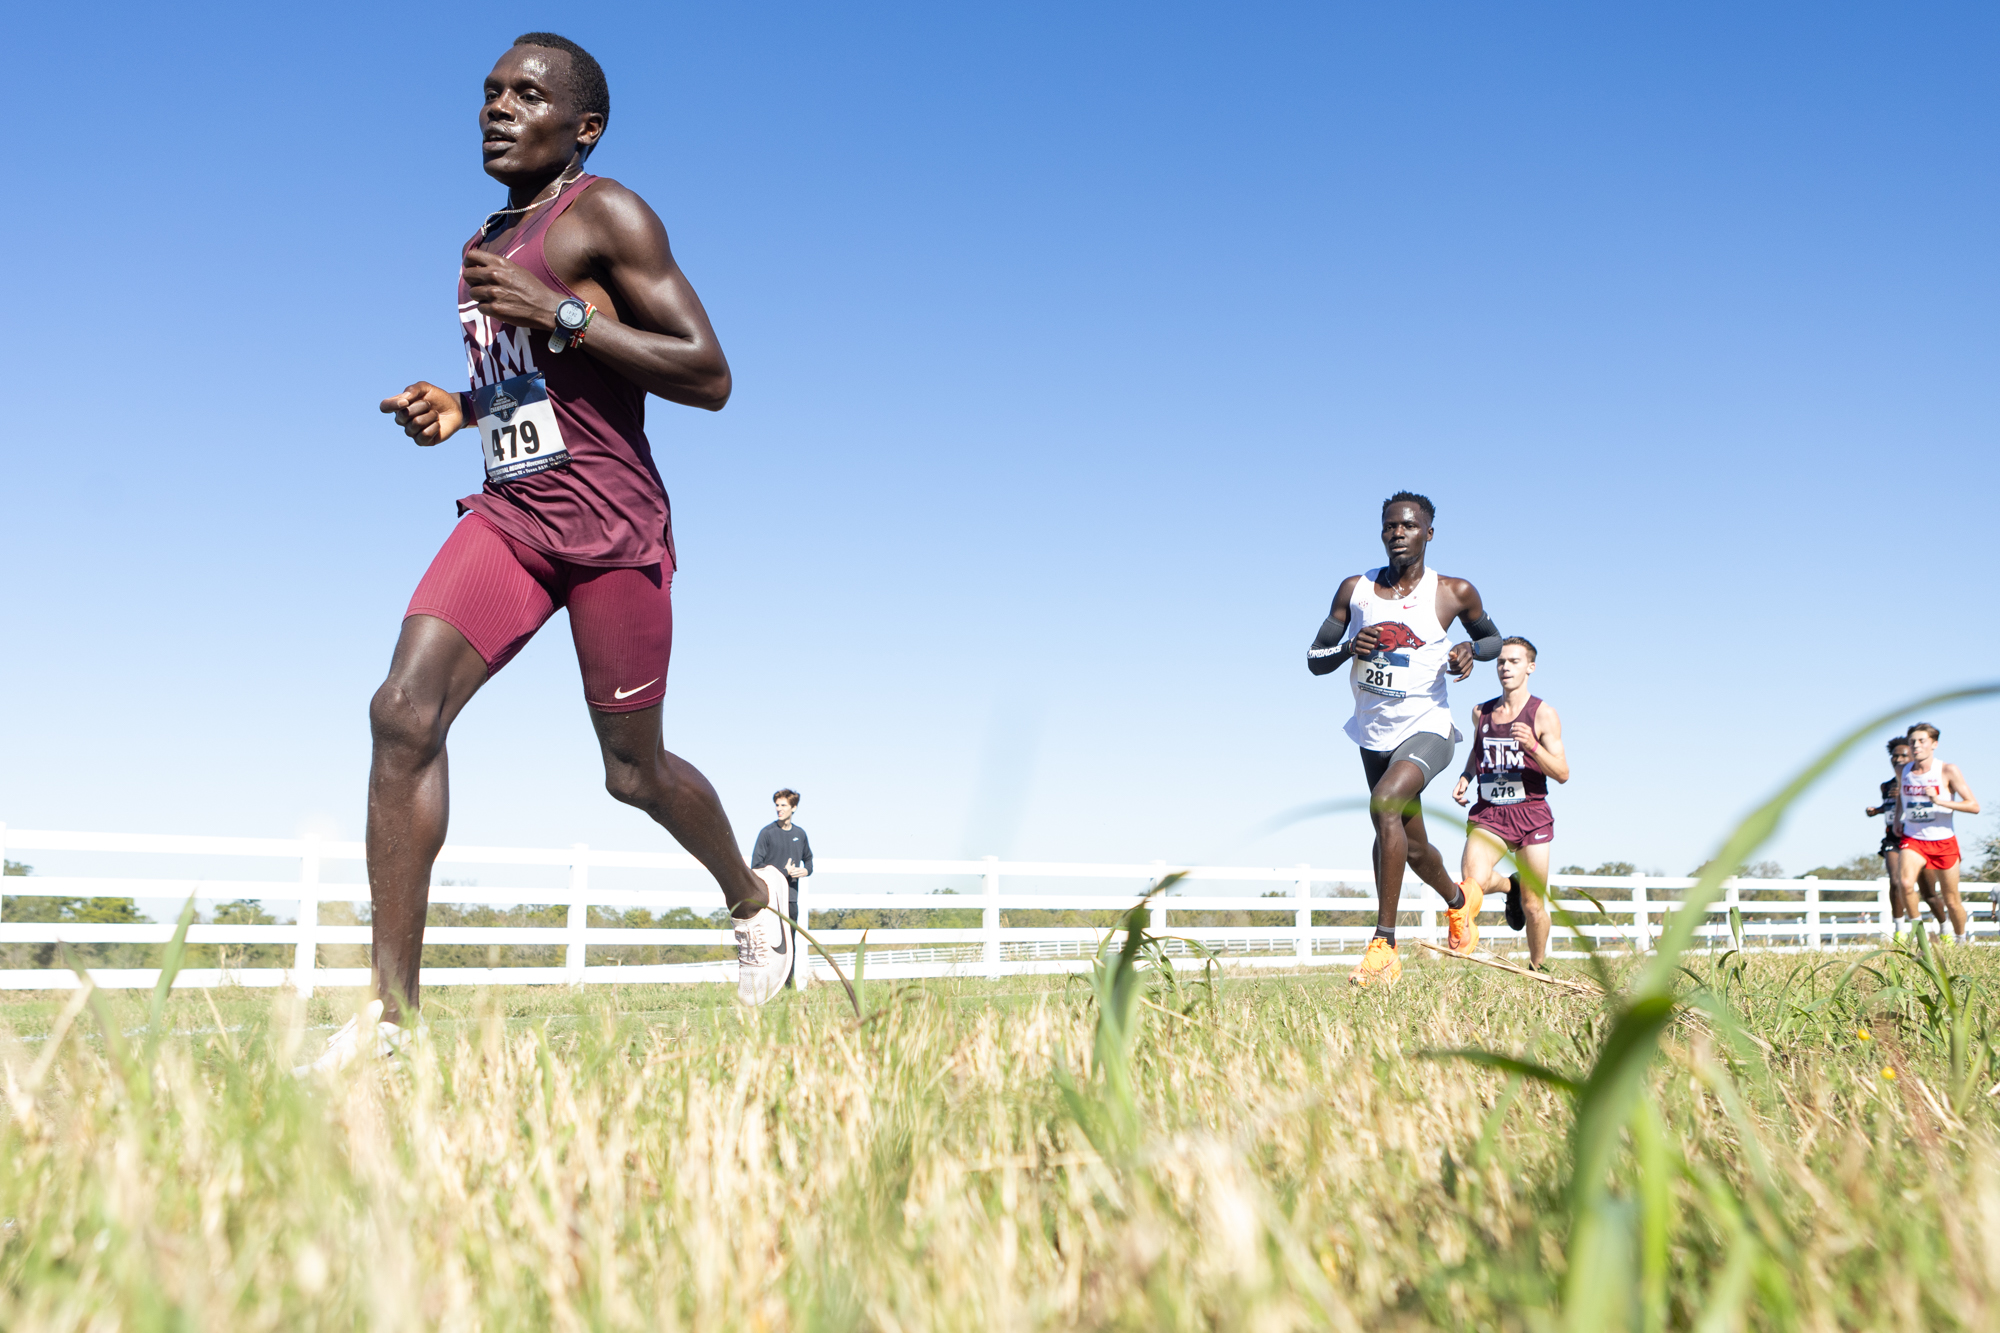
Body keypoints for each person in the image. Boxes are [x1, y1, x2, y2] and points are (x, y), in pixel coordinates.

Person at [303, 34, 790, 1073]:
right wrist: (467, 403)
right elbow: (548, 391)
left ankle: (751, 902)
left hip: (612, 533)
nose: (497, 108)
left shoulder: (607, 213)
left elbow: (708, 375)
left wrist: (561, 309)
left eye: (526, 94)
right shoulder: (485, 236)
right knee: (402, 713)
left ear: (583, 127)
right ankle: (392, 1023)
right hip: (512, 517)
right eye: (488, 93)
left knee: (633, 773)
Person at [1307, 492, 1504, 987]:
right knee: (1411, 848)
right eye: (1390, 526)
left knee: (1384, 805)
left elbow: (1493, 640)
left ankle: (1384, 946)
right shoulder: (1356, 590)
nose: (1398, 533)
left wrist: (1468, 650)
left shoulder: (1453, 592)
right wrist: (1351, 644)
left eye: (1409, 526)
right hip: (1372, 733)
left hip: (1429, 727)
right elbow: (1314, 658)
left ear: (1428, 534)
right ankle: (1460, 903)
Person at [1450, 638, 1569, 968]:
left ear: (1530, 667)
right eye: (1501, 662)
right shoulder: (1481, 713)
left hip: (1531, 814)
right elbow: (1478, 751)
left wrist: (1532, 746)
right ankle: (1509, 885)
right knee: (1474, 881)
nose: (1505, 667)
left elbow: (1562, 773)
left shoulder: (1543, 714)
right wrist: (1465, 776)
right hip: (1490, 813)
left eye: (1514, 661)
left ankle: (1537, 966)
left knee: (1533, 905)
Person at [1892, 723, 1981, 942]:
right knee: (1904, 883)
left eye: (1922, 741)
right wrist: (1897, 817)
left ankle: (1961, 941)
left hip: (1943, 841)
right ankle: (1918, 933)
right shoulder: (1903, 770)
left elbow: (1973, 806)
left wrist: (1939, 800)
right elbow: (1901, 797)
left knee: (1951, 900)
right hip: (1914, 839)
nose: (1916, 746)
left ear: (1934, 744)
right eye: (1912, 741)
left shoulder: (1947, 770)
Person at [751, 790, 815, 986]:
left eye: (783, 805)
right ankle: (766, 986)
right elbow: (756, 866)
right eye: (777, 805)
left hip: (791, 898)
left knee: (790, 943)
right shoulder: (767, 833)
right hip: (770, 899)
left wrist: (805, 871)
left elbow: (809, 861)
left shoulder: (800, 834)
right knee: (769, 944)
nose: (779, 809)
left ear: (793, 808)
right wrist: (783, 872)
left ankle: (787, 987)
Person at [1865, 736, 1915, 920]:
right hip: (1892, 838)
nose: (1898, 759)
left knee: (1922, 888)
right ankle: (1899, 927)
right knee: (1895, 881)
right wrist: (1875, 810)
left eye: (1903, 755)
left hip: (1915, 837)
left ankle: (1939, 927)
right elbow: (1889, 808)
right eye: (1895, 756)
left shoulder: (1917, 782)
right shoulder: (1885, 786)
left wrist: (1903, 794)